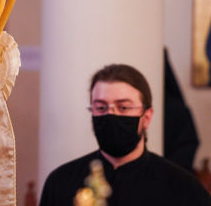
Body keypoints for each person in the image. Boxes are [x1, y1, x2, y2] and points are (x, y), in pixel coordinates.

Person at [39, 64, 211, 206]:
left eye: (123, 107)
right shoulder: (61, 182)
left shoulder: (183, 188)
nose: (110, 115)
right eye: (101, 107)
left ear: (146, 117)